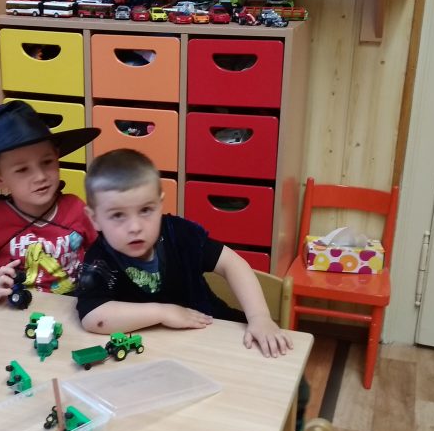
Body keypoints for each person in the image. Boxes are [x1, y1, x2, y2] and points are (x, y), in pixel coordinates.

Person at [75, 148, 293, 357]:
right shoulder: (99, 259)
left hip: (215, 330)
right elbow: (94, 317)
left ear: (160, 205)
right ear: (94, 218)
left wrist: (259, 317)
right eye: (117, 215)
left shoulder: (178, 233)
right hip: (159, 352)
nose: (135, 227)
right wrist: (163, 312)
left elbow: (232, 263)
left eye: (146, 210)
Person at [0, 101, 100, 303]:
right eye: (22, 169)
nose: (40, 176)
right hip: (17, 311)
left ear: (57, 157)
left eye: (47, 162)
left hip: (72, 309)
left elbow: (105, 253)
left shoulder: (76, 208)